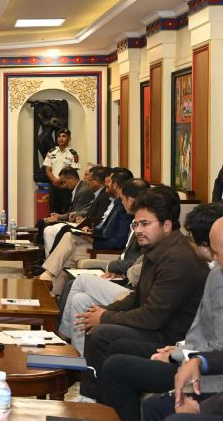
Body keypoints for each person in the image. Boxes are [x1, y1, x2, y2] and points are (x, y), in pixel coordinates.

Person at [77, 186, 209, 402]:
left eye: (145, 224)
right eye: (136, 224)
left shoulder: (177, 259)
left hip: (172, 338)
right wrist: (104, 311)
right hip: (159, 328)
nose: (138, 230)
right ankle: (94, 399)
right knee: (101, 330)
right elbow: (136, 297)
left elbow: (152, 316)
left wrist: (105, 317)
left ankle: (92, 400)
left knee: (102, 334)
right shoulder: (158, 249)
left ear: (167, 225)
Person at [98, 203, 223, 420]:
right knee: (116, 348)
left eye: (217, 252)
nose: (215, 258)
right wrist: (179, 350)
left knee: (117, 367)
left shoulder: (210, 273)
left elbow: (217, 347)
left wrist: (177, 355)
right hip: (190, 352)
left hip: (208, 374)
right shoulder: (213, 271)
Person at [57, 178, 148, 354]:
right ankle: (80, 356)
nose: (121, 201)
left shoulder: (151, 234)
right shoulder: (135, 221)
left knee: (81, 281)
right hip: (124, 276)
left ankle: (62, 336)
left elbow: (136, 268)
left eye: (122, 198)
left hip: (130, 290)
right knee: (79, 299)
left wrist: (118, 269)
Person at [38, 167, 128, 295]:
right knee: (68, 236)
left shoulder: (124, 208)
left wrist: (95, 238)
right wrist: (92, 231)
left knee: (68, 251)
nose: (106, 185)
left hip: (104, 247)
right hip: (99, 240)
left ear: (115, 185)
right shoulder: (117, 203)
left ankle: (50, 286)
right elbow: (105, 227)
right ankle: (50, 285)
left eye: (109, 182)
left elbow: (119, 241)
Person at [40, 167, 95, 255]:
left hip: (78, 222)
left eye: (64, 182)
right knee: (43, 223)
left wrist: (59, 217)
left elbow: (74, 214)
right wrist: (58, 216)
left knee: (47, 226)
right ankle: (42, 255)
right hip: (74, 220)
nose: (64, 185)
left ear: (71, 179)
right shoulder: (77, 188)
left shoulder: (83, 191)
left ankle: (48, 256)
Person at [43, 128, 79, 214]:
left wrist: (60, 180)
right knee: (53, 211)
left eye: (64, 136)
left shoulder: (73, 154)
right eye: (59, 136)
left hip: (66, 187)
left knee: (66, 212)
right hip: (54, 186)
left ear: (69, 139)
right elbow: (48, 169)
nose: (61, 138)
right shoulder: (51, 152)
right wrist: (54, 180)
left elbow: (73, 172)